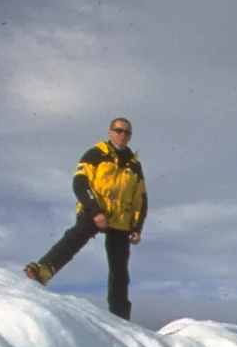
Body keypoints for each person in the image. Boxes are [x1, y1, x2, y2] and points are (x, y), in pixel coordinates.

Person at [24, 118, 147, 320]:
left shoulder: (134, 165)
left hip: (121, 219)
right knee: (77, 234)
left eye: (127, 132)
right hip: (94, 208)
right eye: (118, 130)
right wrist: (95, 211)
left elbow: (140, 198)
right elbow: (80, 183)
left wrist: (137, 227)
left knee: (119, 267)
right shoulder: (95, 154)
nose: (122, 135)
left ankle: (120, 317)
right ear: (110, 132)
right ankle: (41, 271)